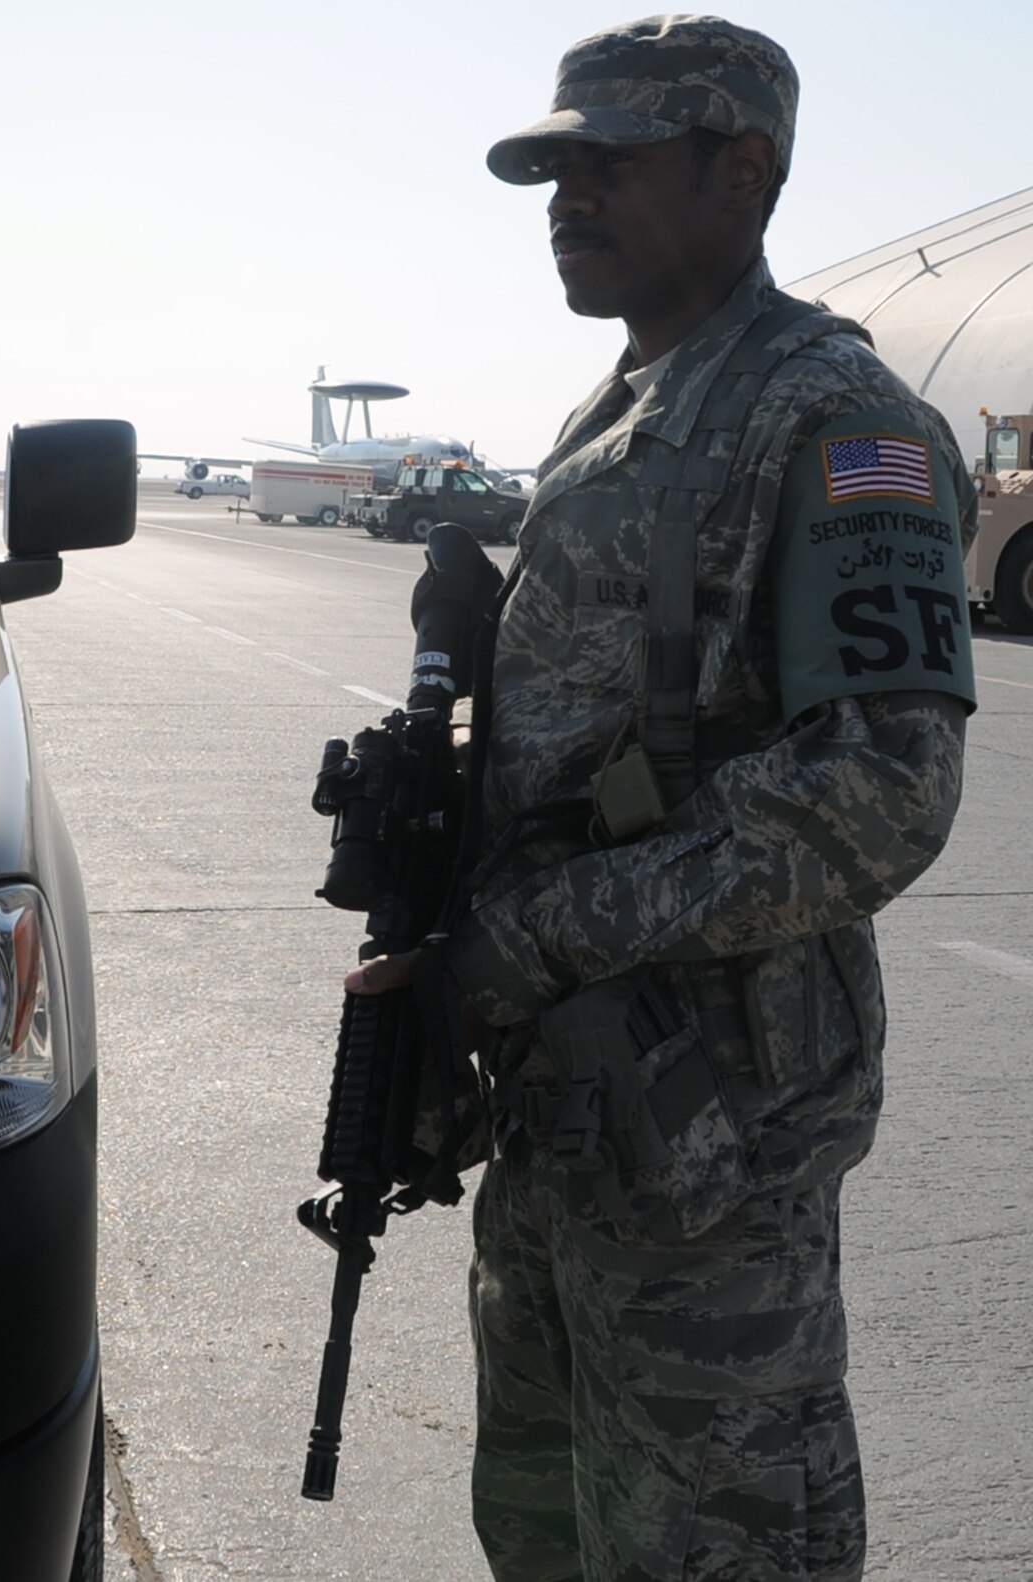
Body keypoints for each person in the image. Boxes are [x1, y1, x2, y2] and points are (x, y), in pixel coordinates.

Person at [345, 15, 976, 1581]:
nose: (566, 194)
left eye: (609, 160)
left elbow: (885, 784)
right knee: (548, 1521)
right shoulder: (616, 413)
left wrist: (547, 927)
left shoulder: (836, 420)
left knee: (718, 1546)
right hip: (563, 1121)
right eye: (554, 166)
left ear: (742, 169)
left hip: (713, 1135)